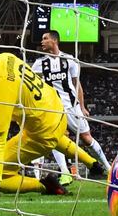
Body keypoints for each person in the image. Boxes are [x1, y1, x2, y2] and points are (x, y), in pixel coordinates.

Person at [0, 44, 104, 200]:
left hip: (42, 135)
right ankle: (93, 163)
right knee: (47, 132)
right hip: (56, 111)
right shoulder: (5, 57)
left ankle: (45, 185)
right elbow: (11, 79)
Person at [32, 30, 111, 184]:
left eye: (45, 38)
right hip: (53, 109)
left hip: (71, 107)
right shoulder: (39, 64)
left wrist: (82, 106)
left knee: (86, 138)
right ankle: (65, 173)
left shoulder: (70, 60)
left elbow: (77, 85)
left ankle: (109, 168)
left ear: (54, 41)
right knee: (54, 139)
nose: (42, 42)